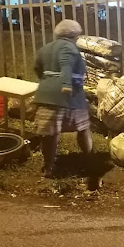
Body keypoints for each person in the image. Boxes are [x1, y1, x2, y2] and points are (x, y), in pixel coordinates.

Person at [33, 19, 92, 177]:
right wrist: (65, 84)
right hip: (71, 95)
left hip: (46, 96)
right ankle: (89, 159)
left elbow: (37, 67)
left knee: (49, 134)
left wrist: (47, 83)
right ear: (74, 35)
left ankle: (49, 167)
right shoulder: (69, 47)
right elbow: (66, 64)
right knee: (83, 128)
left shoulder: (45, 48)